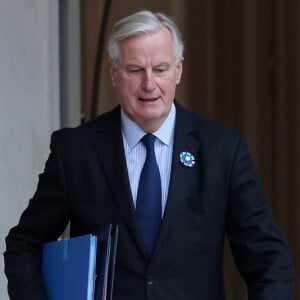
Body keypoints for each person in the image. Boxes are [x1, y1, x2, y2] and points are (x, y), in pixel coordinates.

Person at [4, 10, 294, 300]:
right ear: (113, 71)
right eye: (135, 69)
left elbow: (269, 260)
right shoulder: (76, 151)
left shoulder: (222, 150)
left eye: (161, 69)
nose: (149, 84)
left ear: (178, 70)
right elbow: (24, 245)